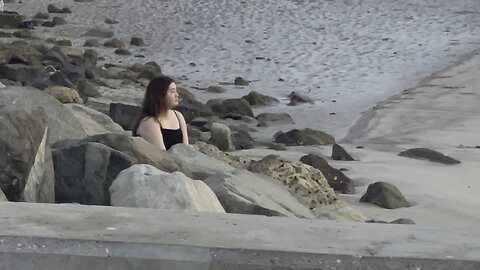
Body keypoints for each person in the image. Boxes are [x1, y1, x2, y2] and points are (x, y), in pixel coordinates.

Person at [132, 76, 189, 150]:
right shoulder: (149, 122)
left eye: (176, 91)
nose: (177, 95)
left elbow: (186, 150)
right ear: (160, 95)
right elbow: (161, 155)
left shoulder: (178, 116)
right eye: (172, 92)